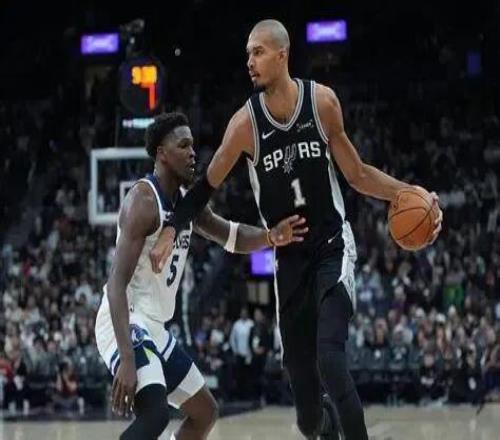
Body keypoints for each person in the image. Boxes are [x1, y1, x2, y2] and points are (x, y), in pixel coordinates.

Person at [150, 20, 444, 439]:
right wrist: (170, 227)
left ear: (282, 54)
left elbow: (358, 174)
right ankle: (325, 427)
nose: (250, 62)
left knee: (331, 360)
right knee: (307, 417)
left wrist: (410, 193)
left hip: (330, 247)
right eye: (248, 54)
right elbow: (204, 188)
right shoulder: (245, 125)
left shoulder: (321, 103)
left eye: (258, 52)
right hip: (287, 261)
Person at [94, 111, 307, 440]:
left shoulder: (187, 205)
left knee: (205, 412)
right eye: (183, 146)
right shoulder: (143, 201)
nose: (193, 153)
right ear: (162, 154)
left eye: (193, 145)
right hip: (124, 320)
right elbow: (115, 286)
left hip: (154, 326)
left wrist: (270, 237)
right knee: (155, 416)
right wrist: (126, 357)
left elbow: (231, 236)